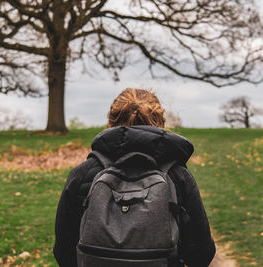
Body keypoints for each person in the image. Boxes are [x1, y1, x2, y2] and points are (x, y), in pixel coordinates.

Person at [53, 88, 216, 267]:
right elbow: (202, 253)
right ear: (160, 123)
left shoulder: (84, 174)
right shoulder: (177, 176)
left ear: (110, 122)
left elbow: (63, 252)